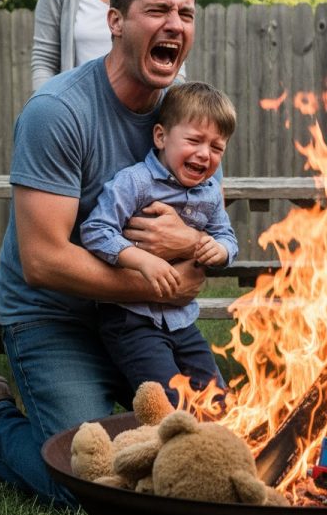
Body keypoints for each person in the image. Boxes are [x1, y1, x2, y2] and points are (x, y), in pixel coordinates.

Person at [0, 0, 209, 508]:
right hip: (51, 314)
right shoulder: (58, 111)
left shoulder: (182, 111)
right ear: (116, 21)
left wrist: (193, 250)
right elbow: (44, 260)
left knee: (202, 443)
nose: (175, 24)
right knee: (88, 485)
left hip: (136, 319)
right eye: (157, 10)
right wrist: (163, 283)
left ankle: (103, 399)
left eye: (187, 13)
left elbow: (203, 215)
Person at [80, 81, 238, 406]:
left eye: (217, 147)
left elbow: (227, 238)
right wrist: (140, 260)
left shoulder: (208, 193)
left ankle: (215, 447)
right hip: (131, 320)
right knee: (167, 404)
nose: (204, 154)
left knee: (218, 399)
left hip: (181, 320)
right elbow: (95, 230)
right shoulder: (134, 183)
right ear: (161, 137)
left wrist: (218, 249)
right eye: (194, 140)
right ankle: (171, 451)